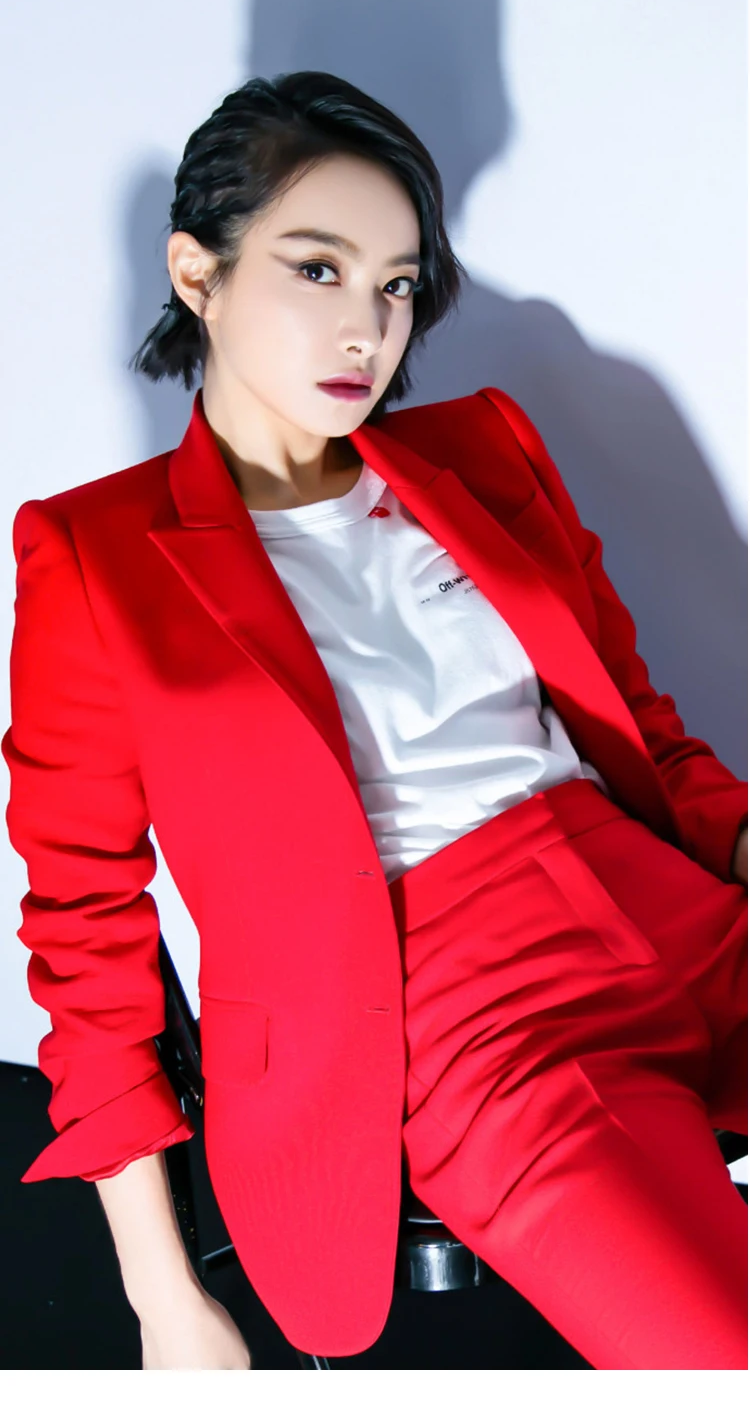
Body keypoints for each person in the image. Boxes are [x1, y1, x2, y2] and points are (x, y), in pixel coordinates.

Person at [2, 70, 747, 1372]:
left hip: (669, 905)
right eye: (319, 269)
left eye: (397, 284)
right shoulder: (95, 554)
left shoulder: (485, 448)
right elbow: (86, 932)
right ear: (197, 272)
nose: (368, 328)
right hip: (461, 1020)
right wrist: (162, 1298)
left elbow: (646, 735)